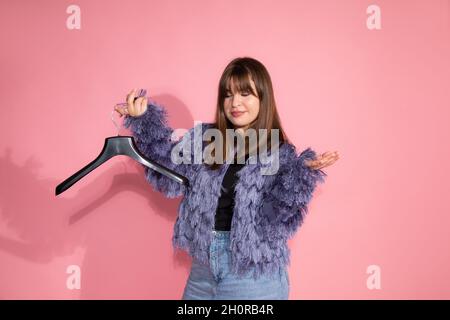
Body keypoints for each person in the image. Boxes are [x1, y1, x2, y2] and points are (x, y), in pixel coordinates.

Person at [114, 57, 339, 300]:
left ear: (263, 98)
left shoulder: (277, 151)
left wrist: (300, 177)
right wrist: (144, 120)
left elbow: (274, 222)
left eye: (245, 93)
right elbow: (167, 175)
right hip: (202, 273)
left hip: (252, 277)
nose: (235, 103)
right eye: (228, 94)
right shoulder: (205, 139)